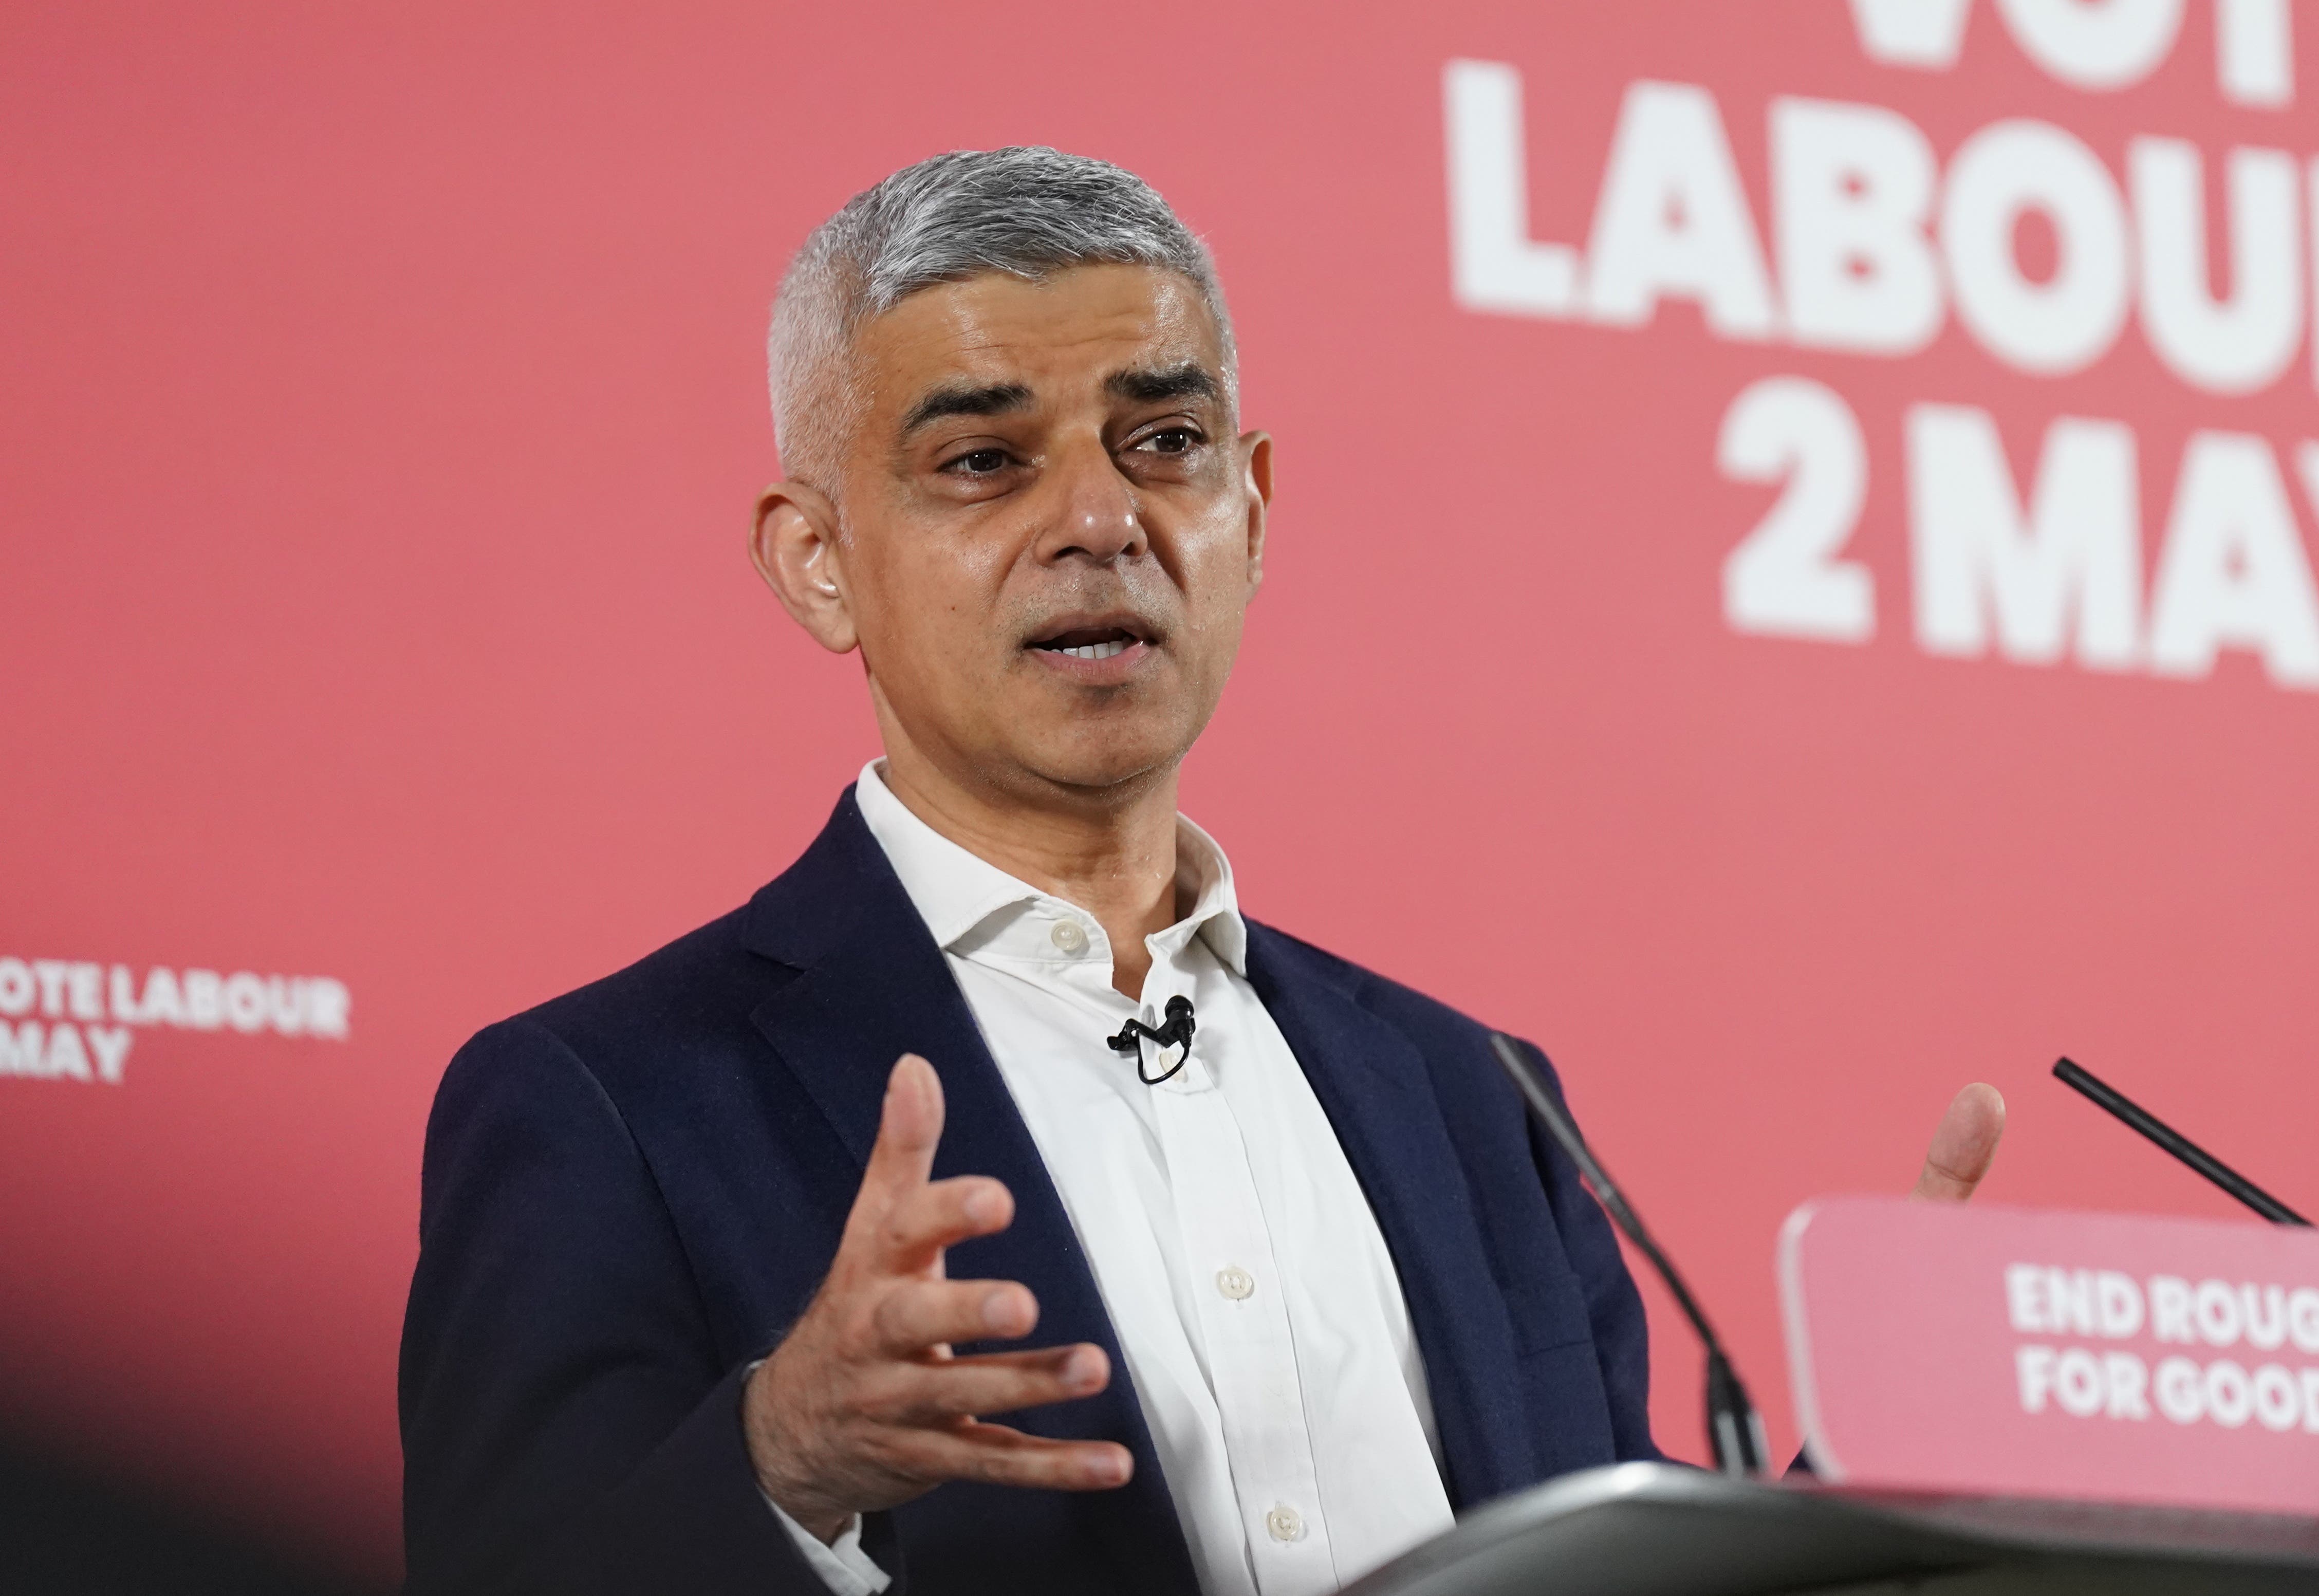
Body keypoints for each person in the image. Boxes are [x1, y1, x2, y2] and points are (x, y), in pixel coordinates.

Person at [396, 149, 2007, 1596]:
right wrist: (785, 1471)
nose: (1101, 516)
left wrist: (1869, 1486)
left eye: (1164, 442)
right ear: (820, 563)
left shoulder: (1479, 1105)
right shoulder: (610, 1104)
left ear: (1253, 506)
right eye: (983, 462)